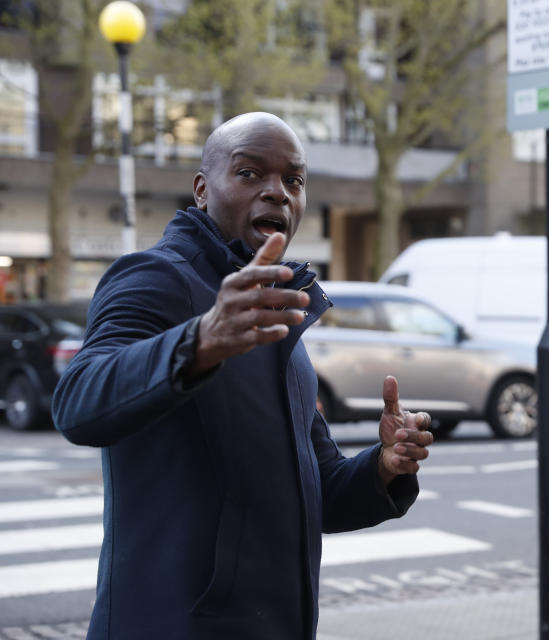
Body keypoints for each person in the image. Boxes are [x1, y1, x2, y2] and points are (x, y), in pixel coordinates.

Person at [52, 112, 434, 640]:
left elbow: (317, 490)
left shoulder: (277, 316)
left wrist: (384, 469)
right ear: (203, 191)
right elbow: (78, 403)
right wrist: (202, 341)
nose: (277, 192)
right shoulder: (154, 277)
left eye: (293, 180)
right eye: (250, 173)